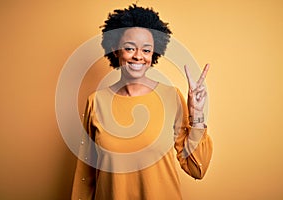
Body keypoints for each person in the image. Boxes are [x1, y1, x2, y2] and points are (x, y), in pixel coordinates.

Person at [71, 4, 213, 200]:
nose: (138, 56)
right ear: (115, 50)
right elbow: (85, 175)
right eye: (129, 48)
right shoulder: (96, 102)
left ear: (153, 53)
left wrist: (197, 115)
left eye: (146, 50)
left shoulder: (172, 97)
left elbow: (197, 169)